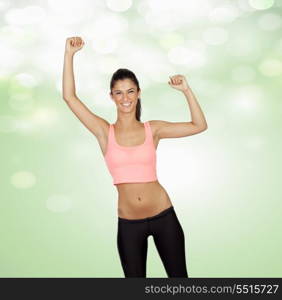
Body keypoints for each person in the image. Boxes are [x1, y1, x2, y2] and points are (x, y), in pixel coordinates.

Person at [62, 36, 208, 278]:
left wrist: (186, 90)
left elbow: (199, 125)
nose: (125, 98)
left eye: (130, 91)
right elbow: (70, 98)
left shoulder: (154, 129)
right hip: (129, 224)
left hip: (164, 216)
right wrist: (69, 55)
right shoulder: (103, 132)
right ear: (111, 97)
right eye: (118, 93)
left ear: (138, 93)